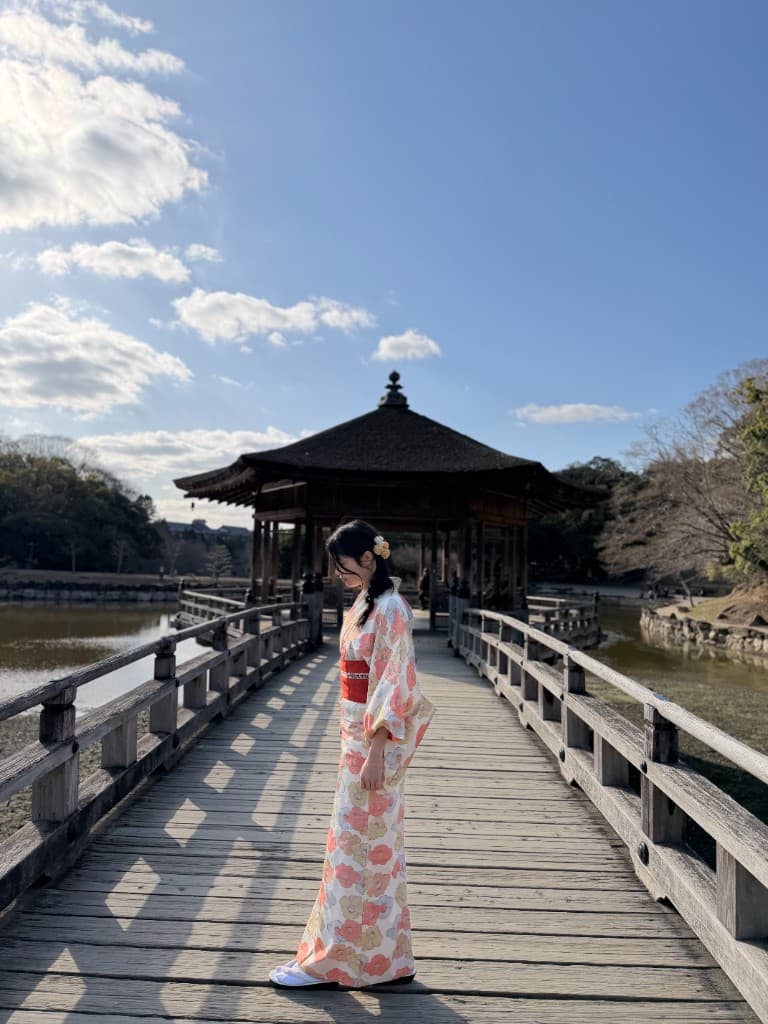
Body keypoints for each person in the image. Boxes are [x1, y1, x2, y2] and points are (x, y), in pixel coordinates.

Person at [269, 519, 436, 989]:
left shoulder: (391, 609)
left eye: (343, 566)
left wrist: (378, 749)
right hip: (355, 736)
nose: (337, 574)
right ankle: (386, 961)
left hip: (372, 742)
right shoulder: (366, 602)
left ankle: (332, 962)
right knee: (370, 849)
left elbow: (394, 681)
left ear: (368, 558)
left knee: (357, 847)